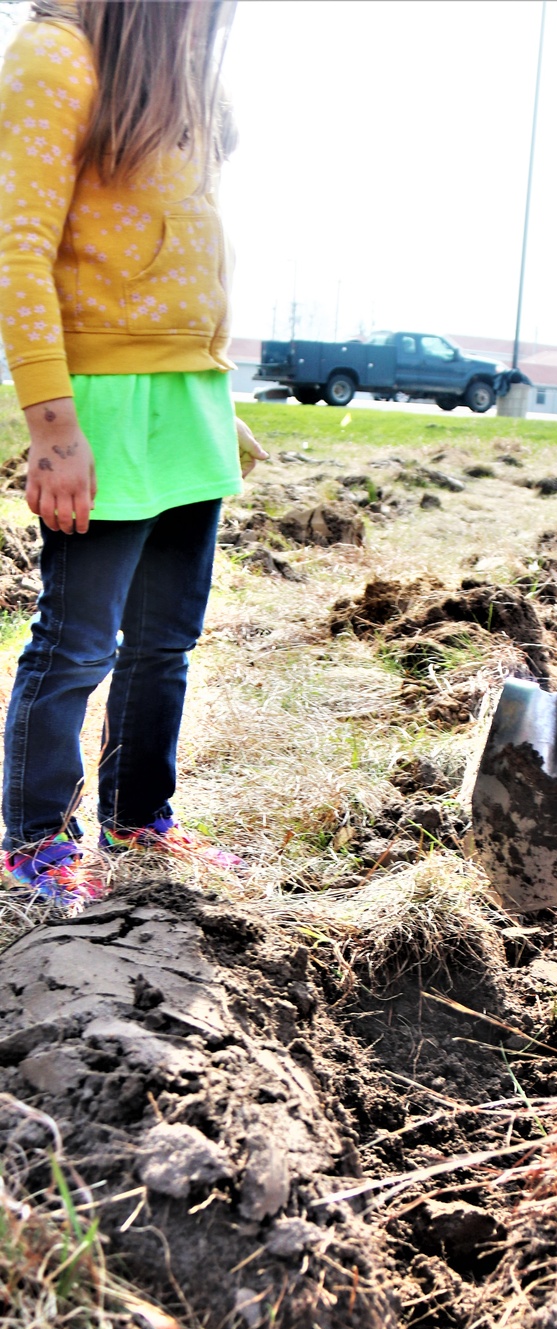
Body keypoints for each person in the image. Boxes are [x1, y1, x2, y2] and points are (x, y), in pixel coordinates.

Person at [0, 0, 267, 911]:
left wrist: (208, 398)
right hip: (100, 407)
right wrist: (52, 427)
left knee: (167, 644)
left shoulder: (179, 73)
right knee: (76, 644)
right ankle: (34, 841)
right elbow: (17, 251)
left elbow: (186, 248)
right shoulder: (55, 55)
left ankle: (138, 819)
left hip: (186, 397)